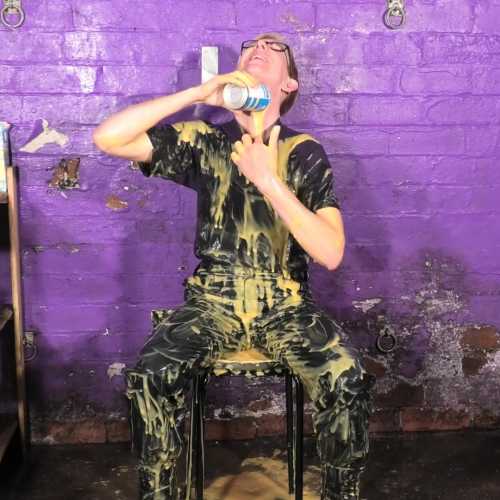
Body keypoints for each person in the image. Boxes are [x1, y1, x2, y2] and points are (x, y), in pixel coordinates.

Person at [93, 32, 376, 500]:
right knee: (150, 375)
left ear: (288, 85)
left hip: (285, 303)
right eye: (250, 46)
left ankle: (339, 494)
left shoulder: (304, 152)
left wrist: (268, 180)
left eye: (274, 47)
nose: (258, 48)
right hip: (212, 302)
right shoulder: (205, 140)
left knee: (347, 379)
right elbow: (107, 137)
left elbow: (331, 252)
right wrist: (199, 93)